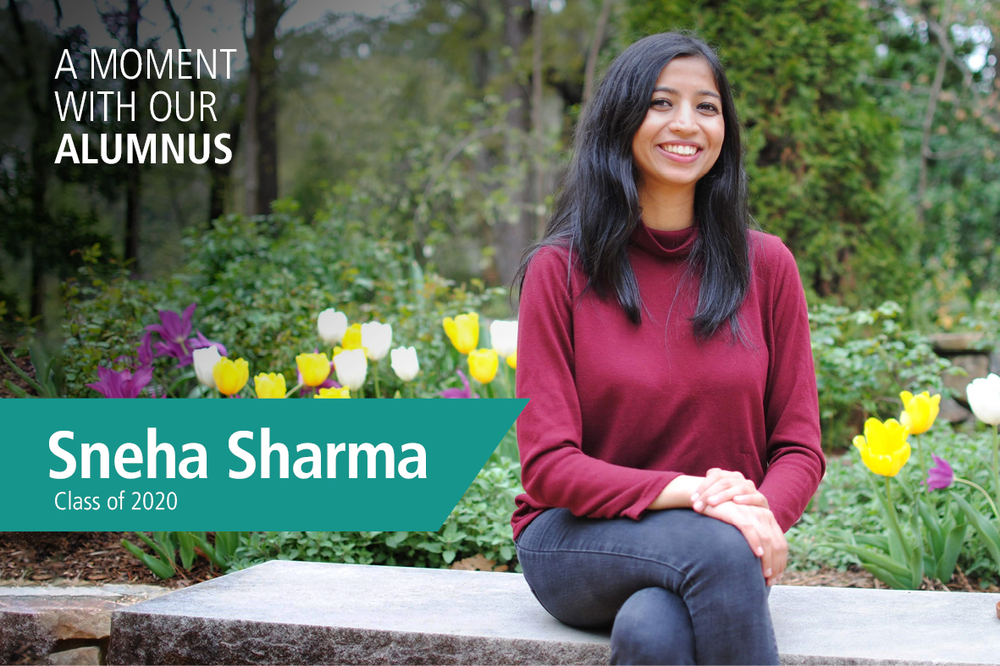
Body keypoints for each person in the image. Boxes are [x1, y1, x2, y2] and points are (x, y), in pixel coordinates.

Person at [511, 32, 825, 665]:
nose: (687, 124)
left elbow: (798, 448)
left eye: (707, 107)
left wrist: (754, 513)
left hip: (719, 542)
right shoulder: (562, 269)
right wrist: (702, 497)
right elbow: (548, 466)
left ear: (725, 130)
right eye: (662, 103)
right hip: (576, 539)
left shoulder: (766, 266)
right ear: (623, 119)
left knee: (653, 635)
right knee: (716, 552)